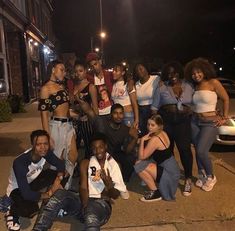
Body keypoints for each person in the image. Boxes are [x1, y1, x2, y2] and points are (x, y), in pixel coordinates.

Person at [32, 132, 127, 231]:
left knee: (91, 212)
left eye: (100, 147)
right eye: (94, 148)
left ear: (106, 146)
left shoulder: (114, 166)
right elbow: (83, 187)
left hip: (101, 208)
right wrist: (85, 206)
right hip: (84, 204)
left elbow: (115, 195)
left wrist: (109, 186)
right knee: (60, 194)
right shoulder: (86, 163)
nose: (97, 151)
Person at [4, 130, 65, 231]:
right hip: (17, 189)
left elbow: (60, 164)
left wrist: (59, 179)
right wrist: (49, 193)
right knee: (30, 210)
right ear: (32, 145)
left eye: (45, 144)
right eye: (38, 144)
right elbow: (26, 193)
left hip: (32, 182)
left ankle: (50, 202)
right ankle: (11, 211)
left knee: (62, 174)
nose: (43, 147)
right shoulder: (20, 162)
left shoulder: (45, 153)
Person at [184, 57, 229, 192]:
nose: (196, 75)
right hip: (195, 121)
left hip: (210, 122)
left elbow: (226, 98)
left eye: (198, 72)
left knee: (202, 151)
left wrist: (224, 117)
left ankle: (211, 176)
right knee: (197, 149)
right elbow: (195, 104)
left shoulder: (213, 82)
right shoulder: (195, 86)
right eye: (193, 73)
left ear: (204, 71)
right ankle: (202, 174)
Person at [151, 61, 194, 196]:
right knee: (167, 151)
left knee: (184, 149)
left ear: (179, 73)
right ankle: (169, 177)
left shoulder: (189, 86)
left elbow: (198, 101)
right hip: (167, 122)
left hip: (183, 123)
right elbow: (154, 108)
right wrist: (155, 126)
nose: (172, 76)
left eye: (175, 73)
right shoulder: (162, 87)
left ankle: (188, 179)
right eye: (169, 73)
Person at [38, 60, 78, 189]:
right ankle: (56, 190)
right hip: (56, 126)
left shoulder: (62, 87)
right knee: (57, 161)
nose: (64, 72)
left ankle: (66, 186)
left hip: (69, 125)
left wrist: (75, 115)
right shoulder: (46, 88)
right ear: (53, 69)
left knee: (73, 156)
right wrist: (47, 137)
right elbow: (43, 115)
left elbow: (65, 109)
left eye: (64, 70)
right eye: (61, 69)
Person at [79, 100, 138, 183]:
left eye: (121, 113)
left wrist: (135, 138)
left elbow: (127, 151)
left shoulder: (125, 129)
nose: (118, 116)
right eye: (115, 113)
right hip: (99, 152)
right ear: (111, 115)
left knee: (130, 158)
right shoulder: (102, 123)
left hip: (114, 153)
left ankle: (123, 181)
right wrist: (79, 100)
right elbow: (89, 111)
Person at [134, 114, 180, 202]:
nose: (149, 127)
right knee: (143, 163)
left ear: (159, 126)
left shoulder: (155, 139)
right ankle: (148, 179)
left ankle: (155, 192)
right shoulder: (163, 133)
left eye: (152, 125)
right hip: (173, 170)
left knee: (138, 165)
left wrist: (142, 140)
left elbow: (141, 156)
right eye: (148, 124)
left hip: (169, 174)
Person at [72, 60, 98, 158]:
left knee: (89, 148)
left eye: (80, 71)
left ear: (85, 71)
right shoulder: (75, 86)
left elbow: (95, 108)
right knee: (74, 148)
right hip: (77, 122)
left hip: (88, 122)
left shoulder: (91, 87)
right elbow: (74, 106)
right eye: (76, 71)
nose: (78, 73)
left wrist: (95, 123)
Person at [133, 63, 160, 135]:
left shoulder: (156, 79)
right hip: (141, 111)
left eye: (141, 69)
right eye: (137, 70)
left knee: (154, 133)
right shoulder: (136, 84)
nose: (139, 71)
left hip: (153, 110)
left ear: (146, 69)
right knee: (143, 133)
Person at [111, 63, 139, 128]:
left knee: (130, 136)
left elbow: (134, 103)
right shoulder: (114, 85)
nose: (114, 72)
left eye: (116, 71)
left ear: (123, 72)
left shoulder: (128, 84)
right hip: (117, 116)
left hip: (127, 115)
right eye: (113, 71)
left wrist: (136, 119)